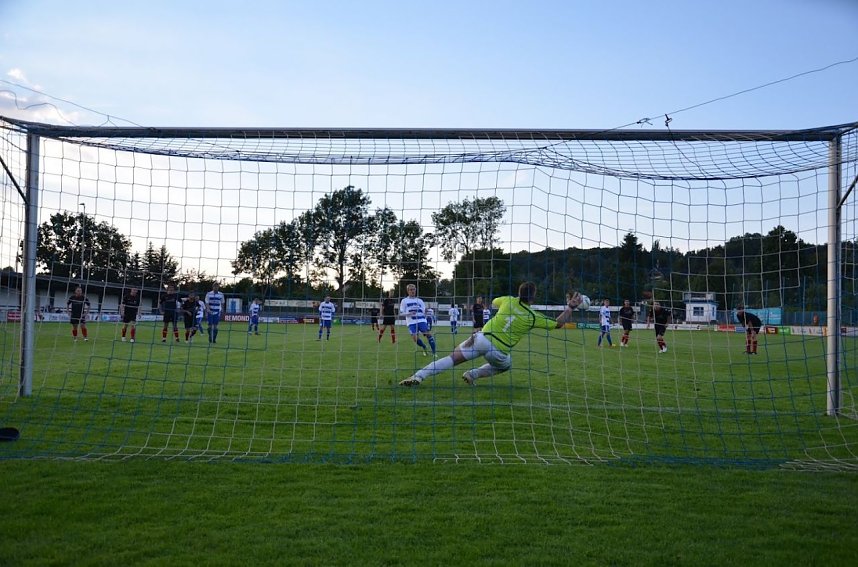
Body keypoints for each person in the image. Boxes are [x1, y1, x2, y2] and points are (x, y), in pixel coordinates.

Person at [399, 283, 583, 387]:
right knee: (506, 366)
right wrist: (570, 307)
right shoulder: (533, 316)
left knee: (451, 358)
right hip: (499, 352)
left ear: (518, 293)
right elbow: (558, 324)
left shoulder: (508, 300)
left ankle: (418, 376)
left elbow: (495, 302)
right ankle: (473, 374)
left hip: (481, 338)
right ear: (534, 297)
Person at [399, 284, 436, 356]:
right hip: (411, 322)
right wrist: (409, 314)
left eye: (414, 289)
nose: (413, 291)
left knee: (428, 334)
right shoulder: (404, 301)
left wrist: (427, 311)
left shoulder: (420, 301)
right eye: (411, 290)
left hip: (421, 320)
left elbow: (423, 311)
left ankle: (434, 352)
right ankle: (424, 347)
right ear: (408, 291)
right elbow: (401, 313)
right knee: (415, 338)